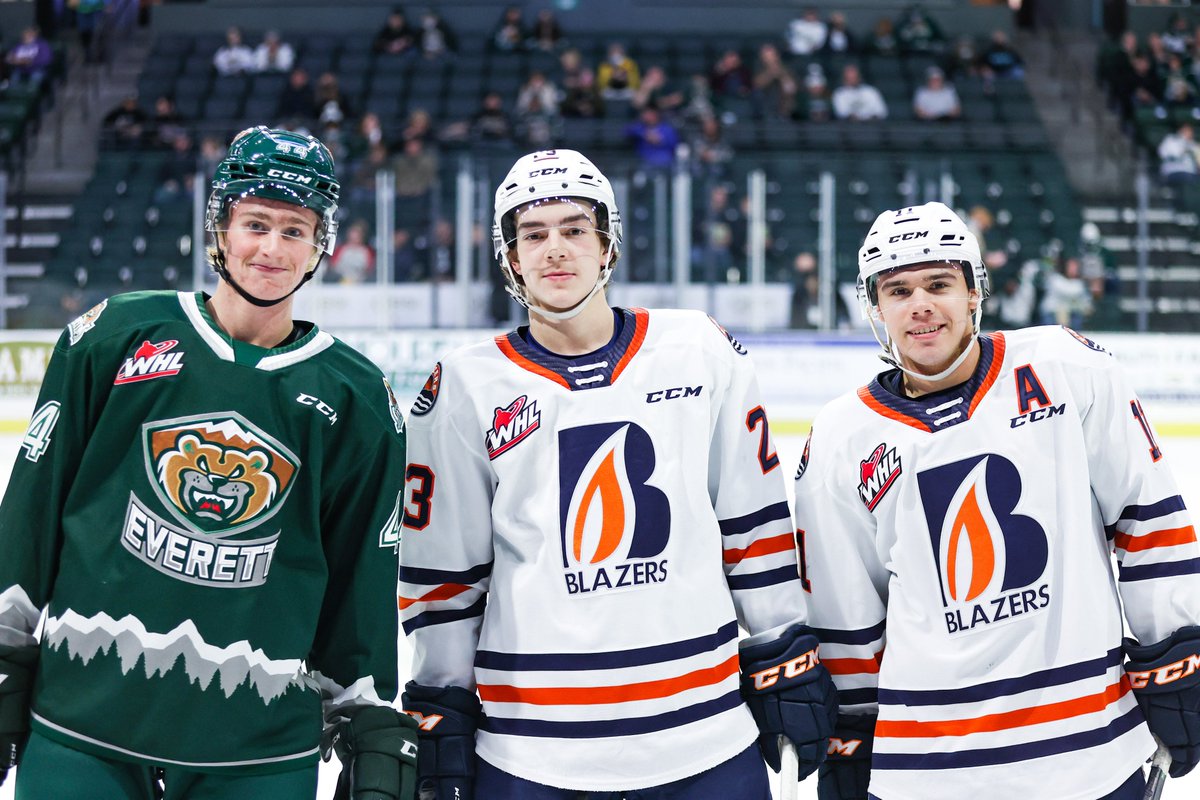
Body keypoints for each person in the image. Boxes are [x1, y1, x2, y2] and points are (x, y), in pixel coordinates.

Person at [398, 149, 837, 799]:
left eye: (575, 229)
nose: (555, 249)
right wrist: (441, 701)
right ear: (511, 257)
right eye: (533, 234)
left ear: (607, 245)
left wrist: (781, 647)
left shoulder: (697, 350)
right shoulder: (466, 383)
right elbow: (445, 575)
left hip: (706, 736)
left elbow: (754, 524)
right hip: (531, 750)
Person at [0, 126, 418, 798]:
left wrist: (365, 713)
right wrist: (4, 655)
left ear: (321, 246)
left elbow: (362, 579)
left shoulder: (358, 398)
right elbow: (30, 513)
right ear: (220, 228)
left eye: (295, 229)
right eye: (255, 223)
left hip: (257, 753)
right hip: (83, 726)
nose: (272, 248)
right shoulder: (113, 337)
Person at [793, 202, 1200, 800]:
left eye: (939, 284)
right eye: (898, 290)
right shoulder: (840, 438)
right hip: (927, 769)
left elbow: (1148, 518)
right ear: (875, 307)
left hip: (1088, 751)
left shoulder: (1065, 369)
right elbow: (846, 611)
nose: (921, 305)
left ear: (975, 292)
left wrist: (1174, 655)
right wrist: (850, 732)